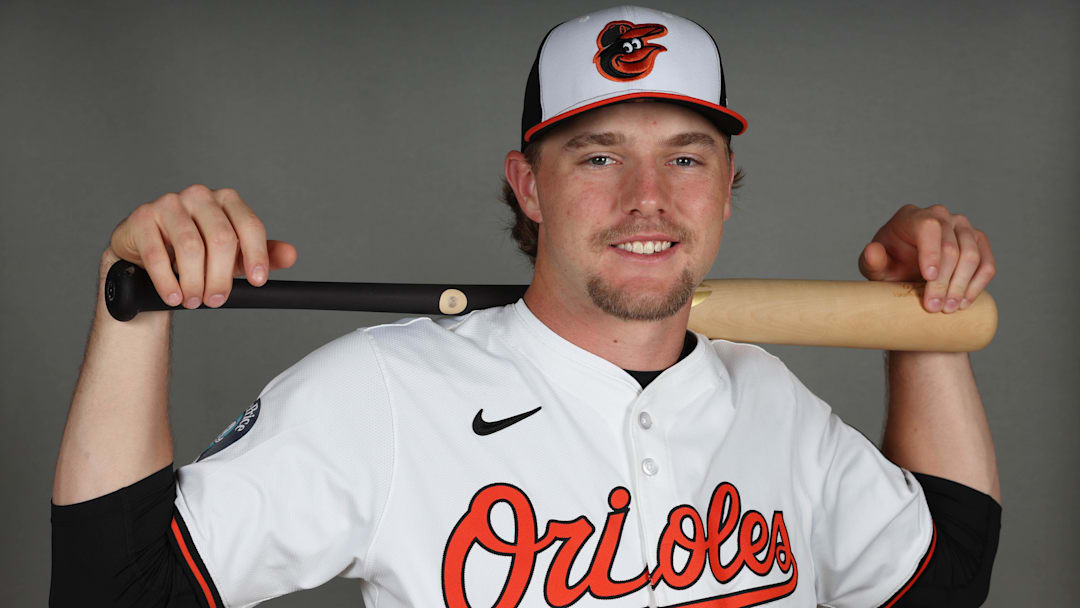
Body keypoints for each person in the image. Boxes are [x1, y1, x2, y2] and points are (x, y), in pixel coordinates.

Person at [51, 6, 1001, 608]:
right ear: (529, 186)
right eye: (596, 155)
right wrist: (127, 304)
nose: (648, 197)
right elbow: (119, 593)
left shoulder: (770, 398)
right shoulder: (385, 392)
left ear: (724, 183)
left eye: (685, 155)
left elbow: (944, 576)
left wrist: (921, 315)